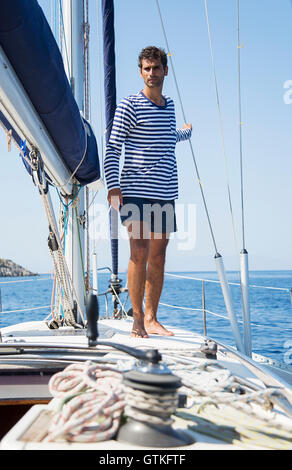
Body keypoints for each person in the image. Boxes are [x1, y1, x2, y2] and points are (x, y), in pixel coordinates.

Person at [104, 46, 192, 338]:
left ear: (165, 70)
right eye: (146, 69)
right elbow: (113, 147)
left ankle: (153, 318)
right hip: (135, 192)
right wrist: (113, 185)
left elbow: (168, 137)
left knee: (159, 256)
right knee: (138, 253)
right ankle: (137, 319)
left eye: (156, 68)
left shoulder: (169, 107)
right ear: (140, 72)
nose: (151, 74)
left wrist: (186, 132)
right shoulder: (128, 105)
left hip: (165, 191)